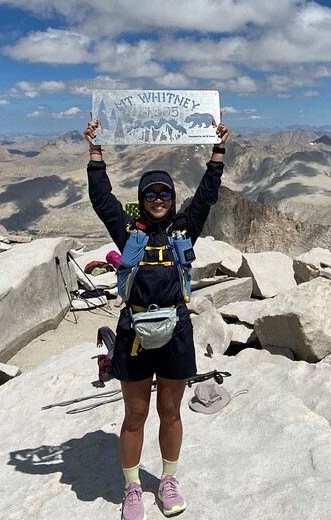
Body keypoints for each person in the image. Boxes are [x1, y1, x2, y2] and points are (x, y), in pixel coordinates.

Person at [84, 113, 230, 520]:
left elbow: (207, 196)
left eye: (165, 193)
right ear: (142, 198)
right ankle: (132, 488)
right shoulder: (129, 231)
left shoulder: (184, 229)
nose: (159, 200)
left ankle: (167, 481)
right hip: (133, 331)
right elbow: (102, 200)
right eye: (152, 194)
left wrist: (218, 151)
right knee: (135, 415)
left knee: (170, 412)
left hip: (177, 329)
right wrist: (95, 153)